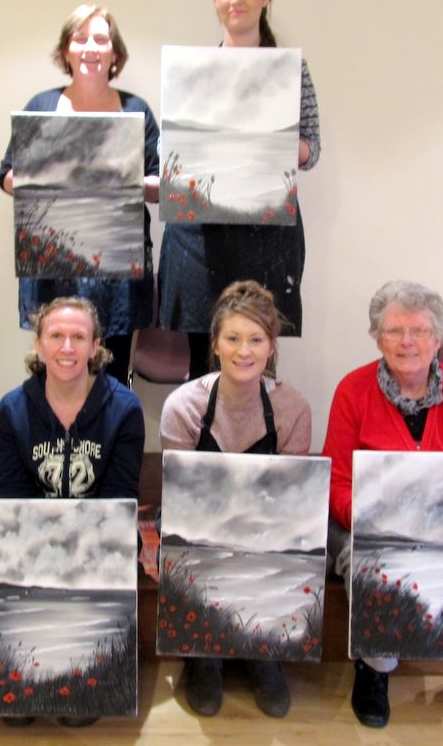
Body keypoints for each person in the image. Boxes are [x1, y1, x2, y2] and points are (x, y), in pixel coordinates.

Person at [322, 280, 443, 739]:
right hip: (368, 524)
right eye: (394, 331)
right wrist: (380, 520)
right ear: (377, 337)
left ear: (439, 337)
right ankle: (375, 669)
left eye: (420, 331)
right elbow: (336, 482)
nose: (407, 341)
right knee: (366, 560)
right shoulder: (352, 390)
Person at [158, 0, 321, 380]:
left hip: (264, 233)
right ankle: (205, 450)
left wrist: (267, 142)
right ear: (215, 0)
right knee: (203, 362)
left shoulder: (290, 70)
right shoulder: (193, 72)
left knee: (257, 361)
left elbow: (310, 148)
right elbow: (174, 149)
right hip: (198, 239)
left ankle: (257, 447)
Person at [160, 280, 311, 717]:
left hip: (266, 528)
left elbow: (291, 501)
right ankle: (205, 656)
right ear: (215, 345)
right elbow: (179, 499)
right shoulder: (183, 406)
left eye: (256, 340)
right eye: (233, 338)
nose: (244, 351)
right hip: (200, 527)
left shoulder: (293, 408)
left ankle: (264, 652)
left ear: (271, 347)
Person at [0, 296, 144, 727]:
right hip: (34, 541)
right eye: (56, 335)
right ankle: (31, 662)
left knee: (79, 709)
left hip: (100, 542)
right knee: (16, 713)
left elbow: (118, 502)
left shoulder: (124, 409)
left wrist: (73, 554)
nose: (67, 347)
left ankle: (83, 664)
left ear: (96, 346)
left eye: (79, 337)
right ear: (38, 344)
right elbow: (15, 504)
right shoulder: (11, 410)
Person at [0, 4, 160, 386]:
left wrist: (123, 178)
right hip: (54, 265)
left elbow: (159, 186)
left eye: (101, 39)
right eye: (80, 38)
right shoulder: (41, 106)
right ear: (66, 50)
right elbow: (6, 175)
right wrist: (44, 179)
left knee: (113, 376)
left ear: (114, 53)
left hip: (118, 271)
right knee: (55, 373)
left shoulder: (136, 110)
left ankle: (108, 446)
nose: (90, 47)